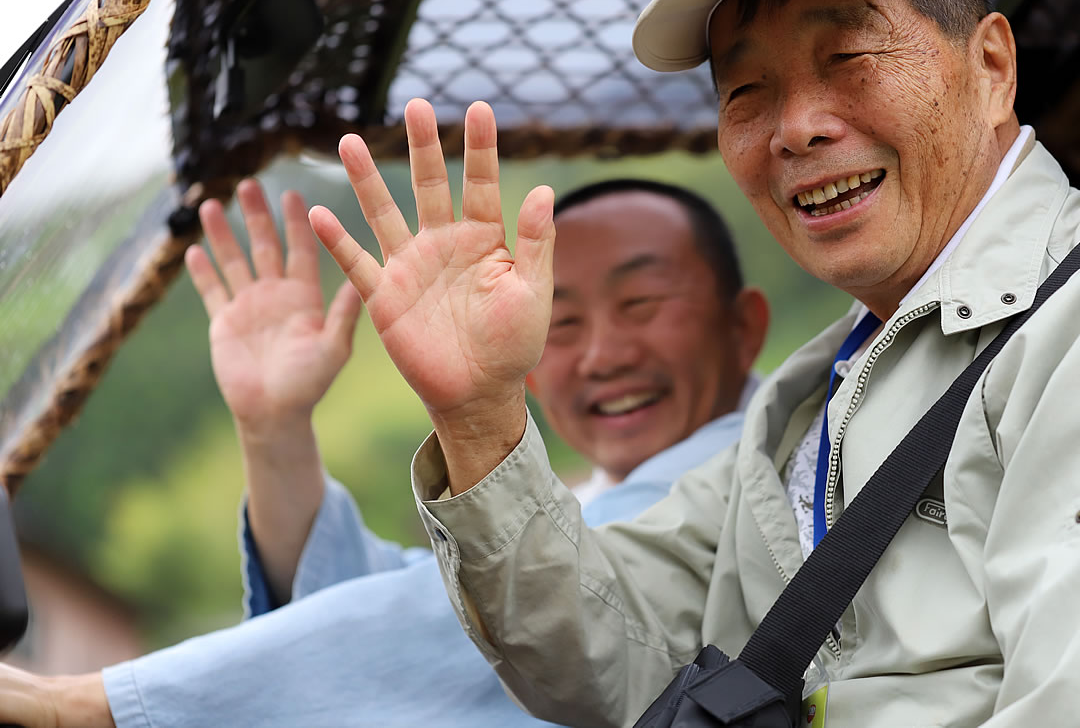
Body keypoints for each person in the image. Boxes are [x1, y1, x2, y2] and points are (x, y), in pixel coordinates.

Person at [291, 0, 1080, 725]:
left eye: (848, 58)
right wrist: (480, 416)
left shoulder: (1065, 331)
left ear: (990, 67)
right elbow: (603, 653)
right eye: (746, 92)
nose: (796, 126)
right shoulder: (807, 399)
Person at [0, 177, 768, 727]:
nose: (601, 354)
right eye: (559, 324)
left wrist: (96, 705)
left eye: (642, 306)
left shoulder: (768, 464)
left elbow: (469, 632)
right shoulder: (595, 495)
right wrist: (275, 429)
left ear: (745, 328)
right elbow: (388, 613)